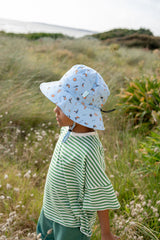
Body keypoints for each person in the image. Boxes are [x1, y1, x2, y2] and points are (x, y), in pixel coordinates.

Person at [37, 64, 120, 240]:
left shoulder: (89, 149)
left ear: (78, 112)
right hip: (49, 212)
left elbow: (98, 191)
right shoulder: (67, 130)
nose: (55, 109)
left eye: (61, 104)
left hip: (70, 225)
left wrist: (106, 233)